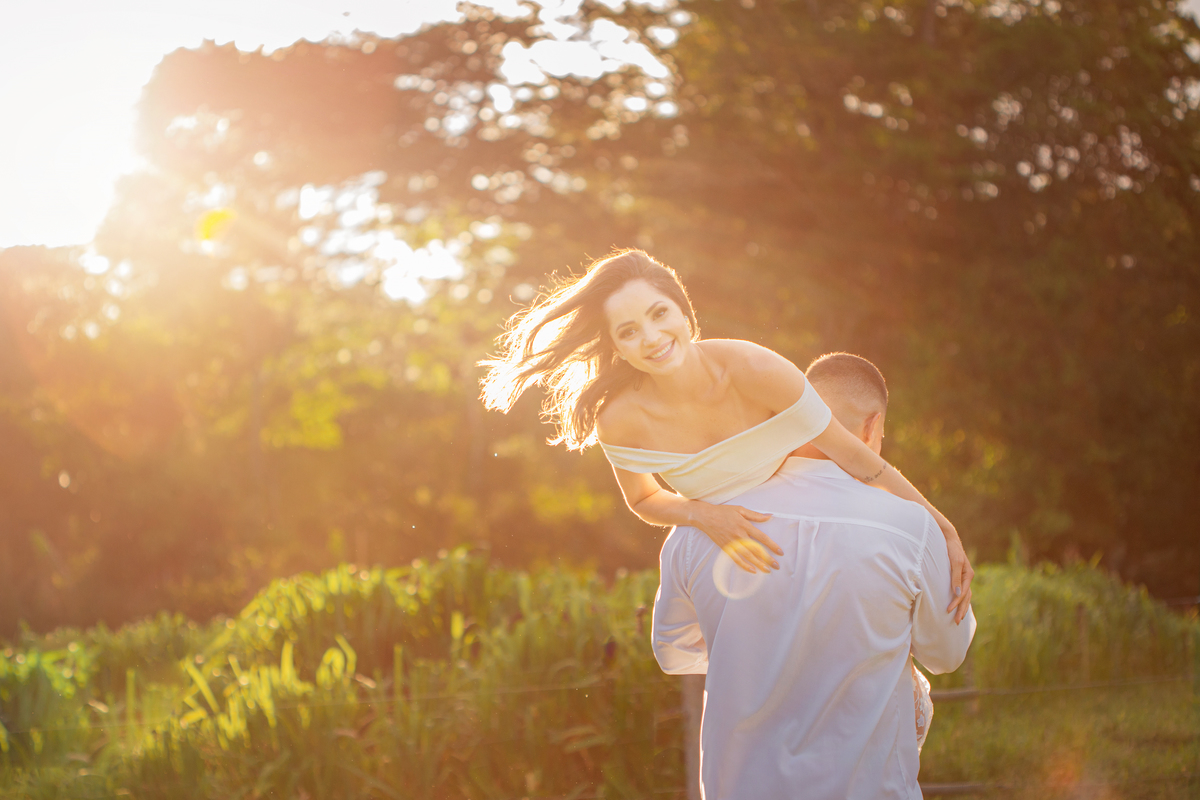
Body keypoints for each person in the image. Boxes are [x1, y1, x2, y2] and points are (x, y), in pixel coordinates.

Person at [480, 248, 974, 620]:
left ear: (683, 311)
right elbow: (643, 500)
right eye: (628, 331)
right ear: (616, 347)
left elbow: (860, 460)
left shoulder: (757, 369)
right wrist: (701, 515)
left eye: (658, 314)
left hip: (815, 541)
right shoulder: (621, 418)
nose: (651, 338)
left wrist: (942, 528)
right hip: (733, 565)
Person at [653, 351, 976, 799]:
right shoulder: (910, 528)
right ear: (871, 427)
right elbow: (947, 653)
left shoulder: (702, 523)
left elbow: (672, 651)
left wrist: (764, 652)